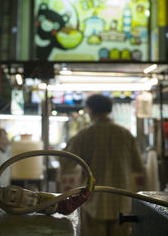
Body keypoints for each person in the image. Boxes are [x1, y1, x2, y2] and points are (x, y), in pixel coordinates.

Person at [60, 94, 146, 236]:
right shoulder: (126, 134)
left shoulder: (84, 135)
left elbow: (66, 164)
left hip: (92, 204)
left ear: (90, 110)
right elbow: (138, 167)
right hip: (121, 205)